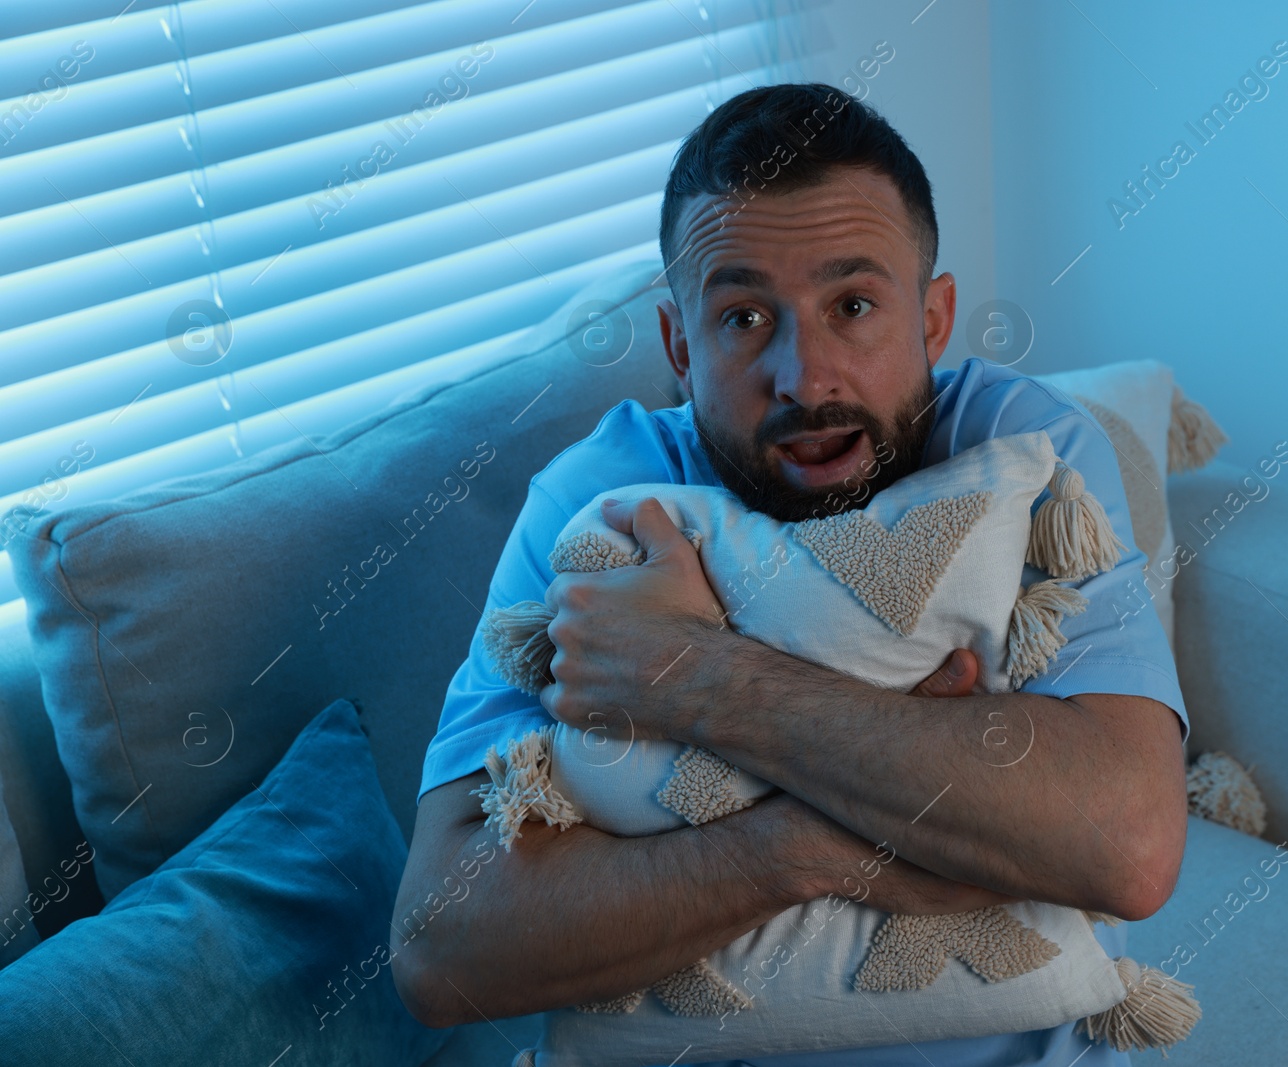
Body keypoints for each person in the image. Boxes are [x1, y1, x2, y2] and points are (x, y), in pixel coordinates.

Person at [392, 82, 1190, 1067]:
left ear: (933, 320)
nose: (806, 378)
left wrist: (692, 674)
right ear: (679, 344)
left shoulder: (1028, 452)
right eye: (742, 318)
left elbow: (1130, 844)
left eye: (852, 305)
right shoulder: (596, 503)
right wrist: (821, 843)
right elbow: (439, 951)